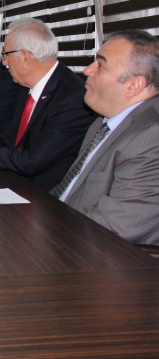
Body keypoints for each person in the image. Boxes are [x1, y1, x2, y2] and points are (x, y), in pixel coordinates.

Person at [0, 18, 94, 190]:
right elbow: (8, 139)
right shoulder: (25, 87)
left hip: (45, 196)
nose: (4, 62)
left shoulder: (71, 98)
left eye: (6, 55)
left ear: (25, 57)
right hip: (12, 182)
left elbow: (33, 160)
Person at [50, 30, 159, 245]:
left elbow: (115, 227)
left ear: (134, 85)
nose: (87, 70)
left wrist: (43, 231)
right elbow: (66, 190)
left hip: (94, 253)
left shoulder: (151, 137)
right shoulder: (102, 122)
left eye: (100, 65)